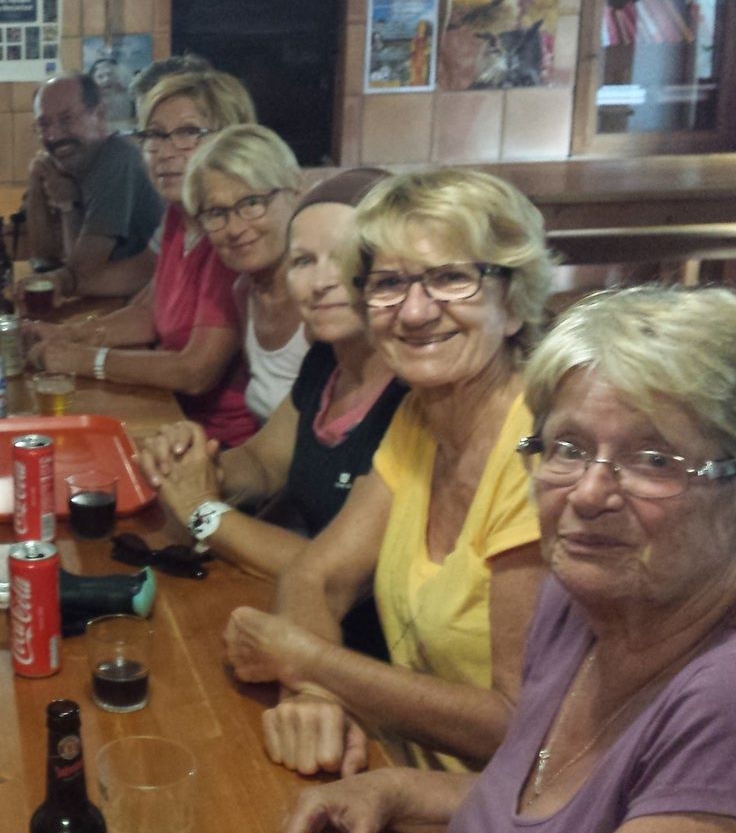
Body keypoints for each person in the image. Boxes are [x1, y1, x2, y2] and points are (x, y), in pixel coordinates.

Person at [245, 286, 736, 833]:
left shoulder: (722, 701)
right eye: (568, 447)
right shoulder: (576, 603)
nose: (588, 493)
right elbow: (549, 809)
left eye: (653, 460)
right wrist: (394, 789)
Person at [221, 167, 552, 776]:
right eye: (390, 284)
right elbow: (316, 575)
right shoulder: (420, 417)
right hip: (393, 766)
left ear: (512, 305)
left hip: (496, 811)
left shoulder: (544, 454)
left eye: (451, 278)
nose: (415, 311)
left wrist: (310, 663)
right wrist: (314, 698)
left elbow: (518, 725)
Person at [139, 169, 406, 660]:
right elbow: (264, 463)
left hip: (365, 658)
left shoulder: (413, 394)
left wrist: (202, 509)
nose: (322, 282)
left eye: (347, 258)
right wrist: (197, 463)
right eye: (303, 260)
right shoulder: (327, 359)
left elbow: (332, 571)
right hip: (294, 622)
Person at [25, 70, 257, 447]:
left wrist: (84, 360)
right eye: (155, 135)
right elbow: (148, 312)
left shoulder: (233, 234)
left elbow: (195, 371)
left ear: (230, 141)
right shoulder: (181, 216)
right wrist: (67, 335)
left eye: (187, 133)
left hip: (217, 443)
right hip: (171, 415)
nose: (164, 151)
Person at [183, 124, 309, 420]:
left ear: (295, 193)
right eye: (217, 213)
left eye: (252, 203)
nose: (235, 228)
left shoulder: (322, 297)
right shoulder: (244, 292)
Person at [22, 72, 165, 299]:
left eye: (66, 119)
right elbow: (43, 259)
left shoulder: (117, 159)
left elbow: (81, 273)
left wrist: (68, 205)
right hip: (109, 305)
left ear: (99, 115)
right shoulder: (66, 165)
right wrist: (36, 181)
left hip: (138, 306)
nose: (53, 135)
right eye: (44, 124)